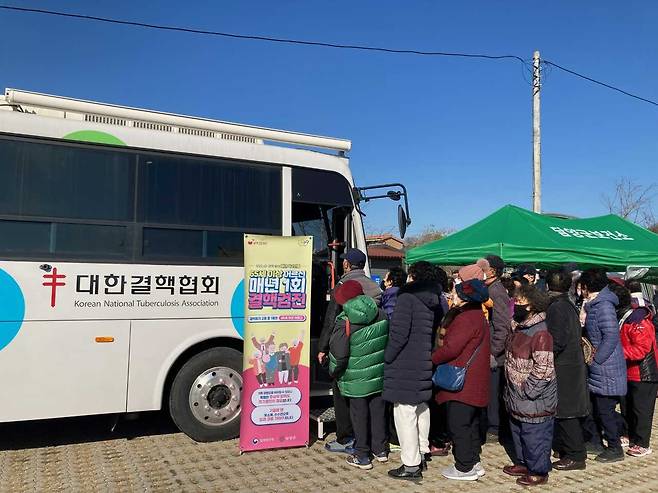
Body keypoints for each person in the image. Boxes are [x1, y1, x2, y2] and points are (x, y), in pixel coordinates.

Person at [318, 248, 382, 453]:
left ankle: (346, 438)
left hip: (348, 349)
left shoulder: (343, 287)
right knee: (370, 398)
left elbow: (331, 321)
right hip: (373, 350)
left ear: (346, 265)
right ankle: (374, 443)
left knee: (342, 394)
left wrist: (322, 347)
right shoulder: (374, 287)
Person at [384, 261, 443, 480]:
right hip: (423, 359)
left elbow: (398, 334)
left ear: (414, 277)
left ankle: (410, 464)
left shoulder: (407, 298)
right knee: (421, 407)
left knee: (404, 412)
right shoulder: (432, 300)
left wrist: (388, 357)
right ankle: (422, 451)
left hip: (405, 362)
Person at [432, 279, 491, 481]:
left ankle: (464, 467)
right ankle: (473, 462)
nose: (452, 296)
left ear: (466, 297)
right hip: (475, 380)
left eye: (456, 293)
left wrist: (431, 358)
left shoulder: (465, 319)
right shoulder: (477, 316)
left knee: (459, 425)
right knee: (471, 424)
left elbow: (451, 348)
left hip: (463, 383)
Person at [328, 280, 389, 470]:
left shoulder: (344, 320)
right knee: (378, 412)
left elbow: (339, 355)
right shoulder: (381, 313)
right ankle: (380, 450)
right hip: (378, 374)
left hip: (354, 379)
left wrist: (333, 372)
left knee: (359, 415)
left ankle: (362, 455)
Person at [503, 285, 557, 487]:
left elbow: (544, 368)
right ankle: (524, 462)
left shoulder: (540, 332)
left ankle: (538, 470)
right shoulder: (518, 326)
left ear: (532, 305)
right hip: (516, 394)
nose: (516, 304)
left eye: (520, 302)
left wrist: (528, 391)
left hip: (534, 397)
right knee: (519, 431)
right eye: (515, 301)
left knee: (535, 436)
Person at [581, 268, 627, 463]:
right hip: (600, 367)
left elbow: (610, 335)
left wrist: (597, 358)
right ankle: (597, 441)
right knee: (597, 408)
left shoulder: (604, 306)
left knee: (606, 410)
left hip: (606, 367)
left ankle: (615, 447)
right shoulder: (594, 304)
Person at [545, 270, 589, 471]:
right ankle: (569, 450)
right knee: (567, 410)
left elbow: (558, 340)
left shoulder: (557, 307)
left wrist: (543, 354)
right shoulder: (567, 304)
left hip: (565, 366)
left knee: (567, 412)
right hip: (572, 363)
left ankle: (576, 455)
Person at [619, 282, 658, 458]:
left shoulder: (639, 320)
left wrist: (618, 353)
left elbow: (641, 349)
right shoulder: (627, 319)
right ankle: (629, 435)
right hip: (629, 371)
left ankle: (643, 443)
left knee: (642, 410)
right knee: (628, 407)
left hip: (644, 372)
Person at [481, 255, 513, 443]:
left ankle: (494, 428)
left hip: (495, 354)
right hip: (489, 350)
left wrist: (494, 351)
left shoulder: (497, 291)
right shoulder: (488, 288)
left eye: (483, 267)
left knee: (494, 393)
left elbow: (502, 324)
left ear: (492, 270)